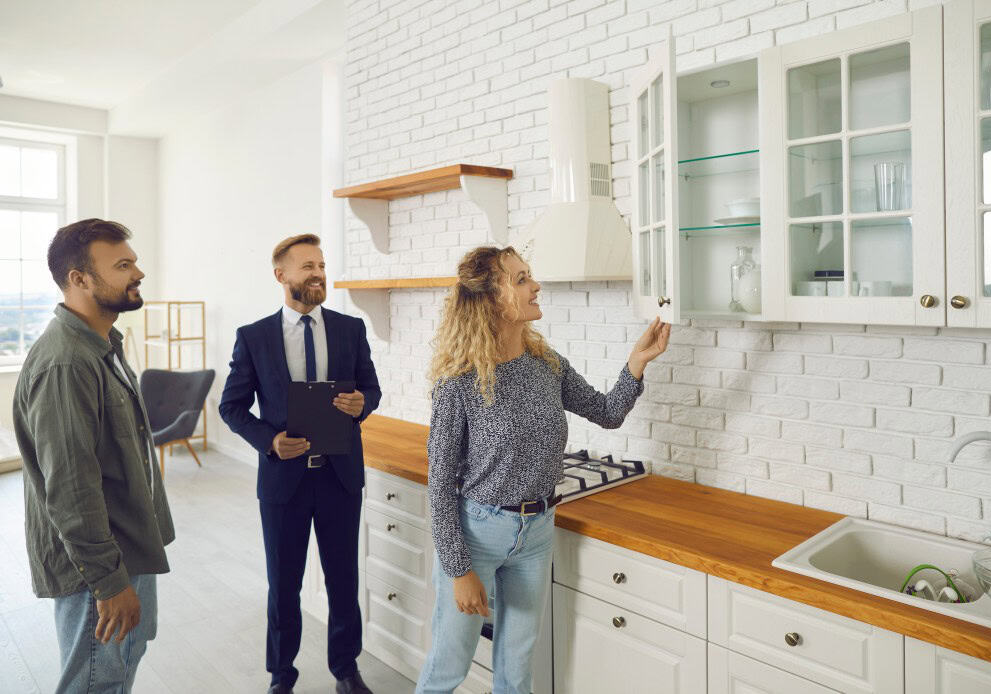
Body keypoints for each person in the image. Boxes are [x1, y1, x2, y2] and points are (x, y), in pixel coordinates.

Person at [415, 246, 670, 694]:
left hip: (537, 531)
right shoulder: (459, 383)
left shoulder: (546, 364)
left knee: (516, 668)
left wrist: (636, 363)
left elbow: (607, 412)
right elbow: (439, 487)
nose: (535, 286)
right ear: (491, 299)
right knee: (448, 665)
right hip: (477, 533)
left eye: (529, 276)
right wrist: (459, 570)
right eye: (520, 279)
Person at [13, 218, 174, 693]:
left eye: (134, 261)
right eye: (123, 265)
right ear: (79, 279)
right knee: (96, 681)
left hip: (127, 544)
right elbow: (72, 490)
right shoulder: (67, 363)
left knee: (119, 666)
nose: (138, 272)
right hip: (100, 566)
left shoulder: (102, 345)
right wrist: (109, 582)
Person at [219, 233, 381, 694]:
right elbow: (231, 408)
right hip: (283, 480)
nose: (318, 274)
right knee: (283, 586)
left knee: (343, 580)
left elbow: (372, 389)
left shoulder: (351, 330)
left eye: (322, 265)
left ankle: (346, 671)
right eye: (308, 266)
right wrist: (269, 441)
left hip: (340, 477)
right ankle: (281, 675)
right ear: (281, 275)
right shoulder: (253, 337)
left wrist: (360, 404)